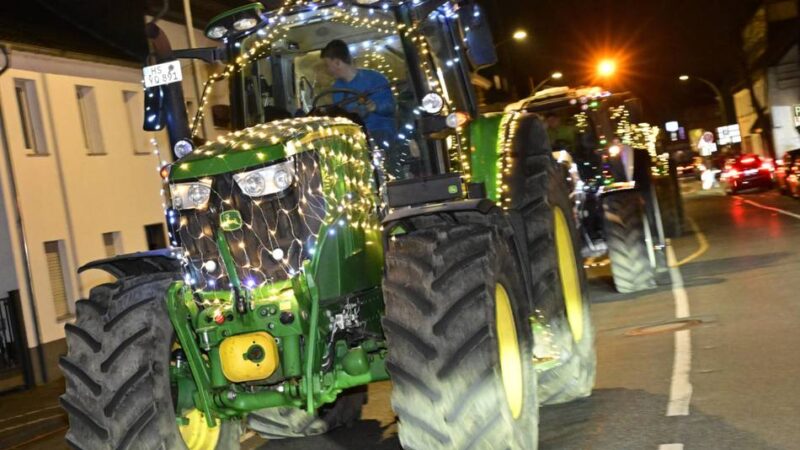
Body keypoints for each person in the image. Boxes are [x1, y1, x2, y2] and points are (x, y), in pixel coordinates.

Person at [321, 40, 405, 177]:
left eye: (327, 65)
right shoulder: (337, 89)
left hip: (380, 133)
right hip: (355, 137)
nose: (327, 70)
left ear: (337, 62)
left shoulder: (375, 79)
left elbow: (391, 107)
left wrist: (375, 107)